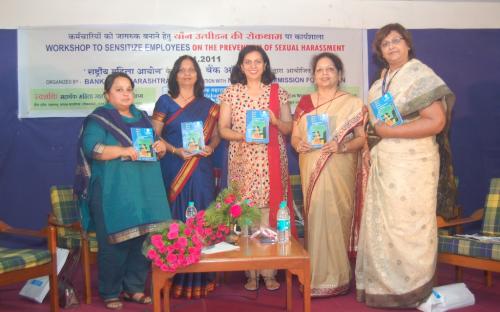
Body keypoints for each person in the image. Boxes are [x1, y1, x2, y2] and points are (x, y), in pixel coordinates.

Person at [355, 23, 456, 308]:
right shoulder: (380, 82)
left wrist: (390, 133)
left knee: (407, 227)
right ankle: (383, 287)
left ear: (407, 44)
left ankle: (411, 289)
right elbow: (377, 125)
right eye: (385, 43)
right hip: (384, 163)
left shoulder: (419, 75)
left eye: (396, 40)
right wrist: (369, 145)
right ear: (380, 51)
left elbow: (436, 122)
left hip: (413, 164)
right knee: (384, 227)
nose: (391, 46)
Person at [74, 72, 171, 310]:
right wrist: (123, 150)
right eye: (119, 89)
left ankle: (134, 288)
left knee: (144, 240)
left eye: (129, 89)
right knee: (114, 244)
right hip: (112, 192)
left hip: (145, 190)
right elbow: (92, 148)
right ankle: (110, 291)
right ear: (107, 94)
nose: (126, 93)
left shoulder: (143, 119)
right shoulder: (100, 118)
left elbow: (156, 148)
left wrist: (161, 147)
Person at [218, 45, 296, 291]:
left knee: (269, 214)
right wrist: (243, 136)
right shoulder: (231, 93)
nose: (253, 66)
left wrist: (275, 121)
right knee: (247, 215)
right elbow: (222, 129)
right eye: (248, 62)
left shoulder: (278, 92)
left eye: (258, 62)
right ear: (241, 66)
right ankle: (250, 273)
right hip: (242, 160)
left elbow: (288, 128)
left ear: (265, 65)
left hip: (271, 162)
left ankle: (269, 271)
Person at [291, 53, 366, 297]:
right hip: (310, 166)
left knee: (335, 216)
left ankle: (338, 277)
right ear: (313, 75)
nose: (324, 74)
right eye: (320, 70)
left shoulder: (352, 103)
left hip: (339, 167)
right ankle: (314, 276)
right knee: (316, 217)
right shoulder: (304, 103)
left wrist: (341, 147)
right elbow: (294, 136)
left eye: (330, 69)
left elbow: (362, 138)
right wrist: (298, 144)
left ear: (340, 74)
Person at [152, 55, 220, 299]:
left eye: (192, 70)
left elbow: (217, 136)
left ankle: (201, 279)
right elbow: (154, 136)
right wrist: (174, 150)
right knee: (176, 219)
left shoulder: (209, 106)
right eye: (182, 70)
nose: (187, 74)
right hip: (173, 166)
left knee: (201, 218)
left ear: (198, 75)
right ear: (175, 74)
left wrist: (211, 146)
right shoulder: (165, 102)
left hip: (200, 169)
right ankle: (172, 278)